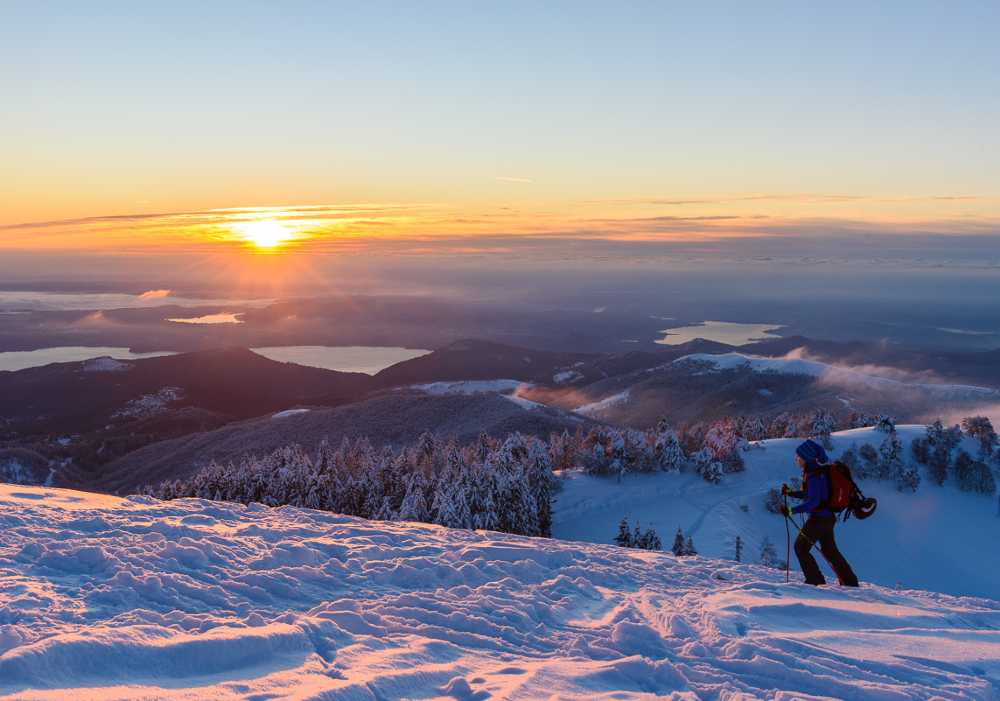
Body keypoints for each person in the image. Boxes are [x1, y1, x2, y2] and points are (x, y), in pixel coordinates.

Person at [782, 439, 859, 587]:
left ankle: (815, 580)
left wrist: (791, 511)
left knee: (800, 547)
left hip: (818, 520)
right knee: (830, 550)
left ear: (806, 458)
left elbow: (813, 502)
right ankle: (850, 581)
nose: (796, 460)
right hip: (827, 518)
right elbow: (811, 494)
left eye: (798, 457)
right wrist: (790, 493)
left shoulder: (814, 476)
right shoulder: (817, 472)